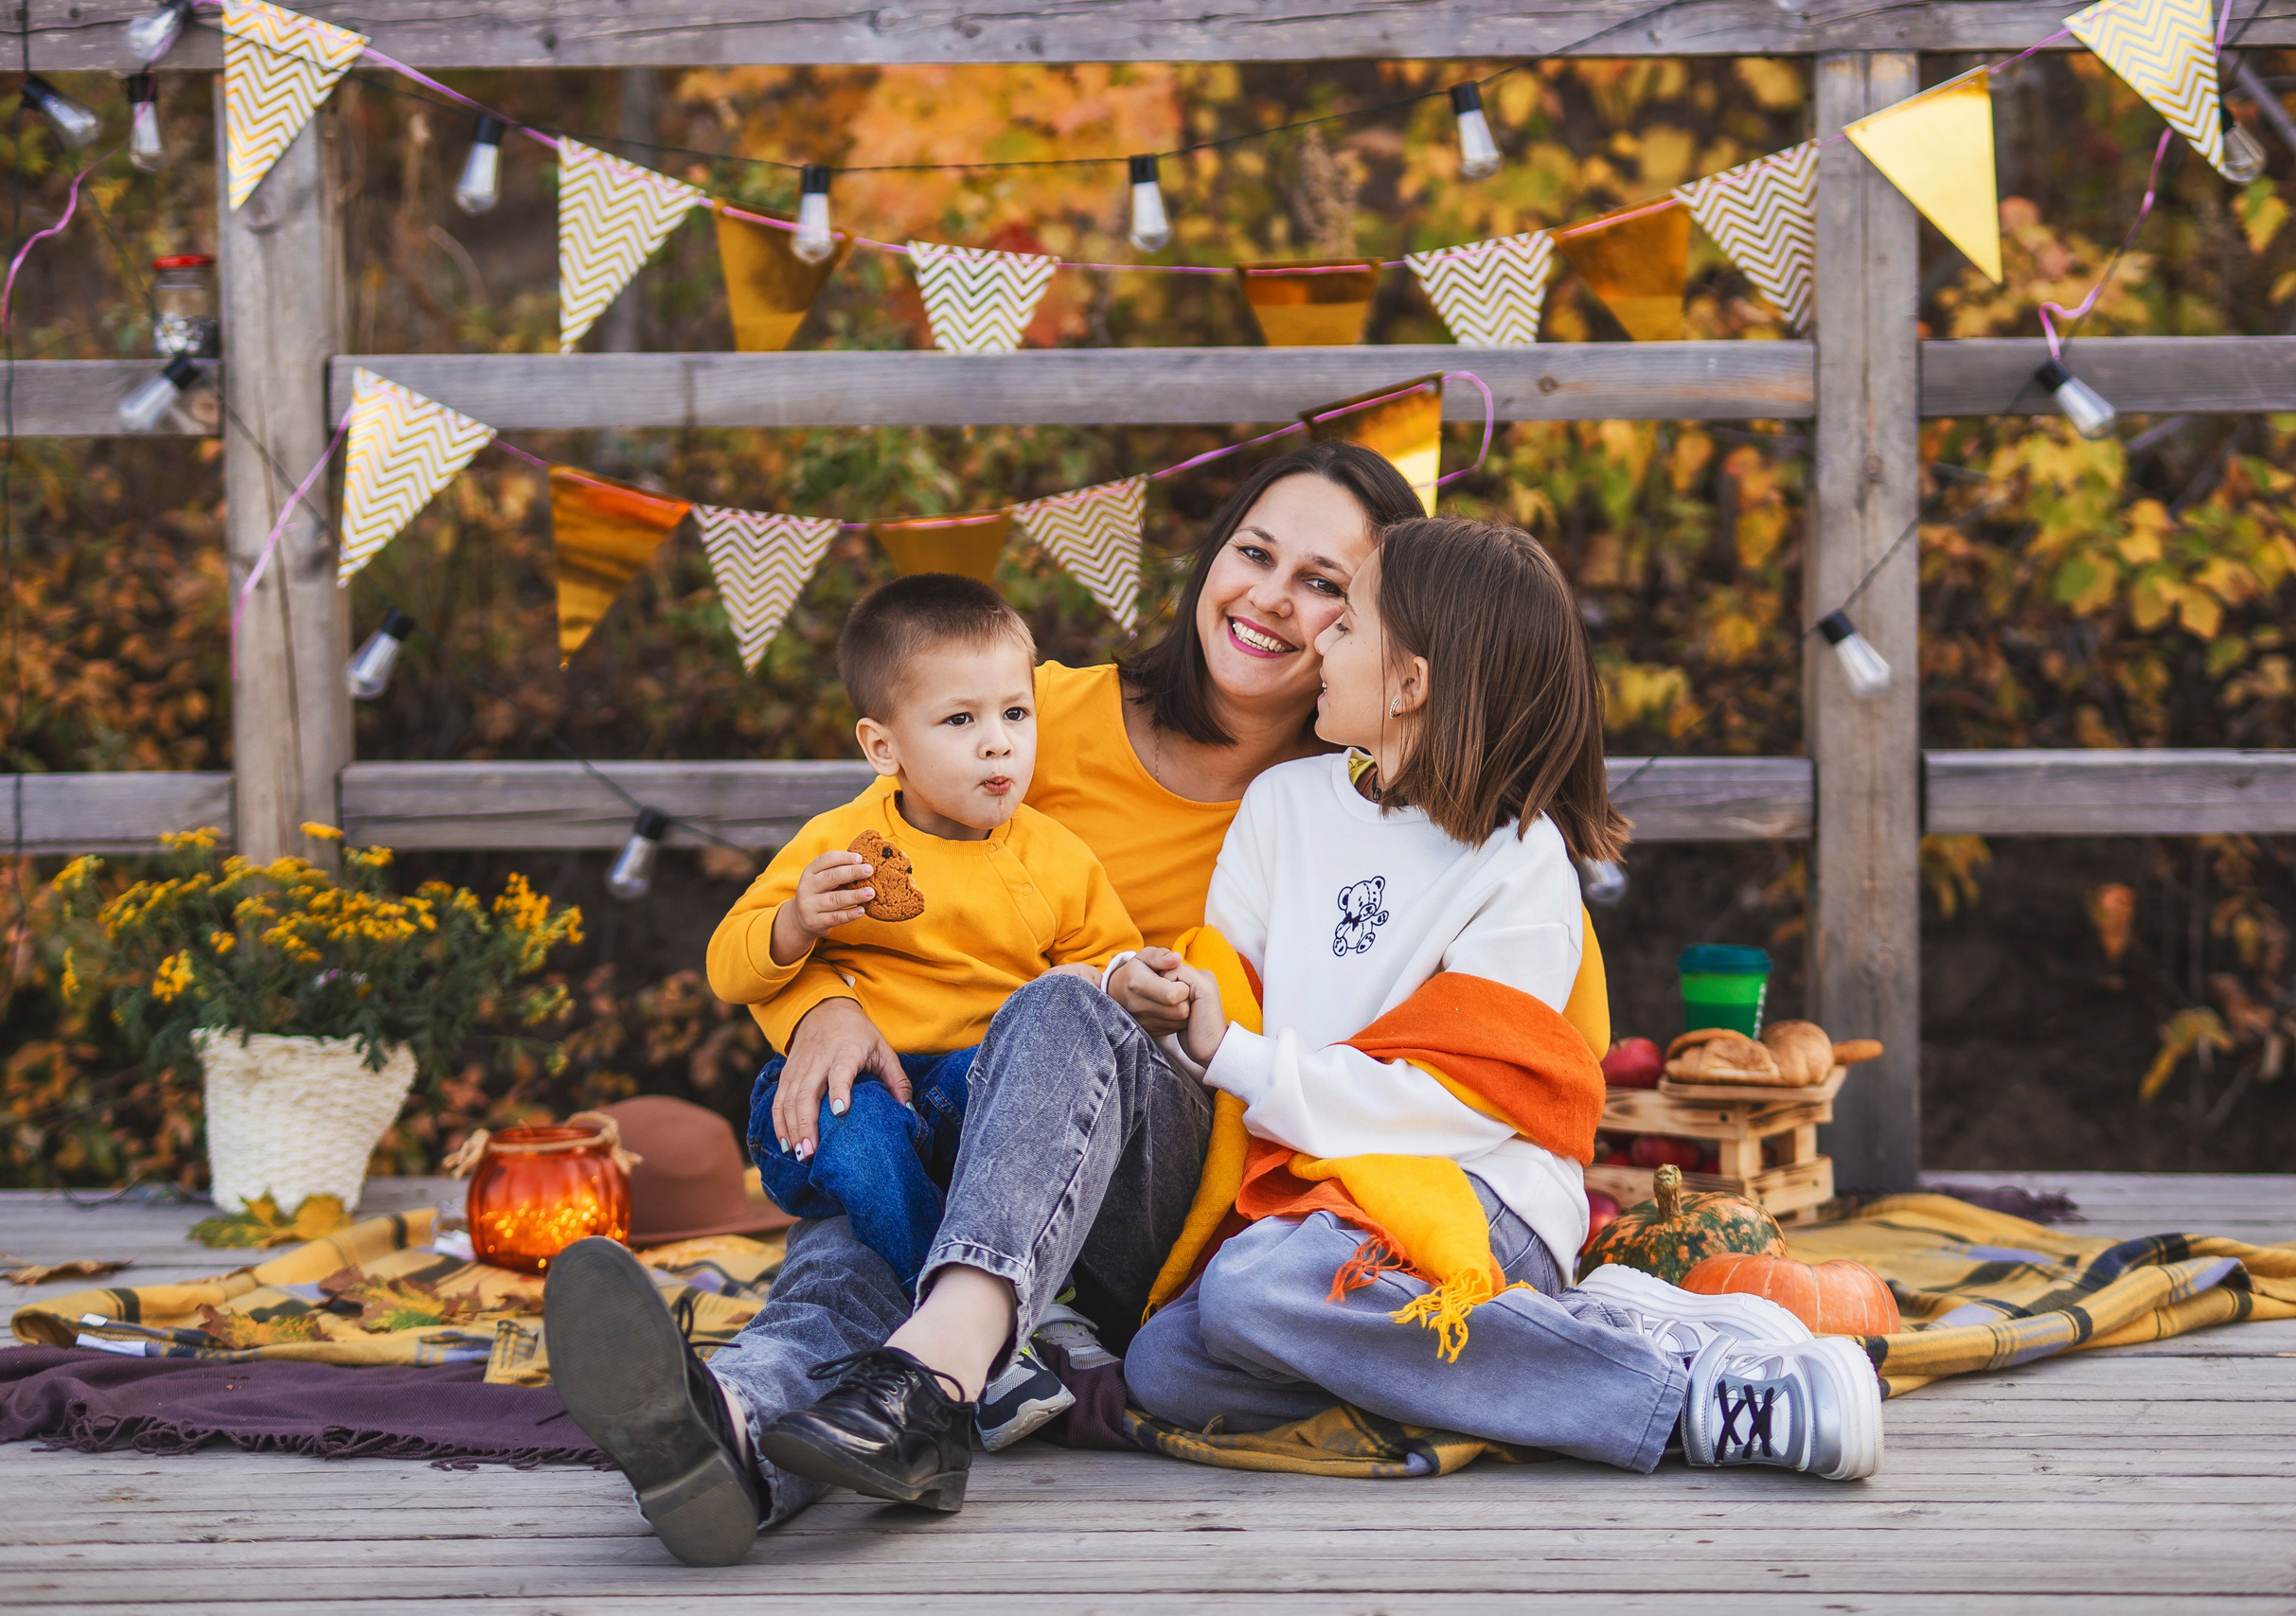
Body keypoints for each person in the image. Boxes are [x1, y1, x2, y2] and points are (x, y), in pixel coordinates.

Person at [540, 445, 1628, 1567]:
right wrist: (819, 1004)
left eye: (1324, 588)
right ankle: (734, 1436)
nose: (1270, 597)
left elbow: (1517, 1059)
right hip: (968, 1129)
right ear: (1212, 558)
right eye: (1254, 552)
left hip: (1169, 1175)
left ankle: (922, 1373)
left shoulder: (1388, 806)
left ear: (1397, 650)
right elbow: (854, 869)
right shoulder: (1026, 715)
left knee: (1061, 1013)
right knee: (863, 1226)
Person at [1118, 516, 1883, 1482]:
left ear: (1412, 685)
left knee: (1253, 1297)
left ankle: (1690, 1394)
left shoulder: (1517, 864)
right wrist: (1167, 993)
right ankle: (1570, 1340)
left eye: (1345, 623)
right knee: (1168, 1366)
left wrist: (1231, 1050)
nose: (1318, 639)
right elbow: (1230, 999)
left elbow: (1456, 1101)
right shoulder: (1284, 810)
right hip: (1312, 1196)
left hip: (1480, 1193)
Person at [700, 572, 1163, 1448]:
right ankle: (994, 1344)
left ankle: (790, 1405)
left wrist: (1135, 984)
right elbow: (731, 963)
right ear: (885, 745)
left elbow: (1097, 975)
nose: (998, 748)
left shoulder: (1055, 856)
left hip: (981, 1109)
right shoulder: (844, 842)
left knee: (854, 1255)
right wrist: (798, 924)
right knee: (861, 1133)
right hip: (855, 1098)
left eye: (1015, 717)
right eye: (961, 721)